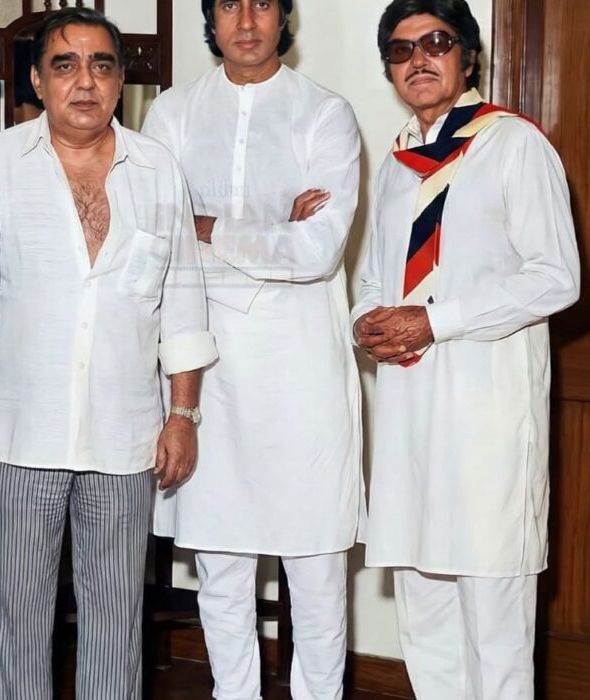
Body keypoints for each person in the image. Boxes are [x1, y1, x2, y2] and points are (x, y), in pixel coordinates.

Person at [0, 8, 217, 698]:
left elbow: (183, 301)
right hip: (20, 432)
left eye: (101, 65)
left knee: (116, 623)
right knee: (18, 623)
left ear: (120, 80)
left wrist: (182, 415)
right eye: (65, 65)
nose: (85, 81)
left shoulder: (157, 169)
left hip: (126, 437)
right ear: (38, 81)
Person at [353, 1, 579, 697]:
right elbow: (373, 279)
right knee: (425, 615)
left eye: (436, 42)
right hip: (410, 416)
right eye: (400, 50)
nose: (418, 59)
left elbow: (557, 277)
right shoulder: (397, 165)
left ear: (469, 56)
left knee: (494, 618)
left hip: (487, 413)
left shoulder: (514, 145)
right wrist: (364, 322)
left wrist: (435, 321)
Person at [142, 1, 363, 697]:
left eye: (262, 1)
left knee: (317, 569)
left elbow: (317, 252)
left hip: (303, 367)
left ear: (283, 14)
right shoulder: (173, 114)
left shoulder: (325, 114)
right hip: (207, 368)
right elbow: (154, 241)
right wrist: (273, 229)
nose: (246, 19)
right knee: (222, 571)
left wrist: (207, 227)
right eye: (229, 4)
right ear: (210, 18)